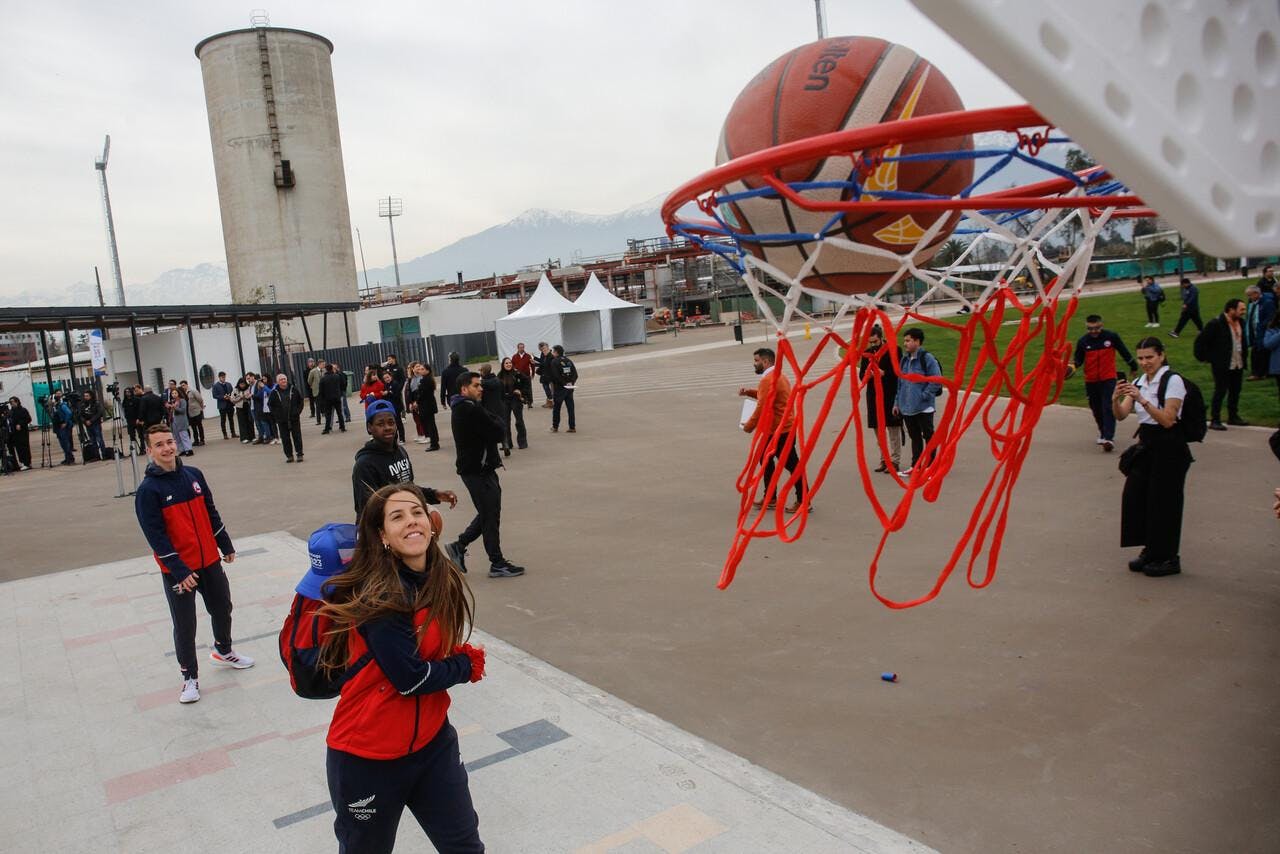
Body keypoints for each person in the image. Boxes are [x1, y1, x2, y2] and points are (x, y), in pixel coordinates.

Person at [317, 484, 486, 852]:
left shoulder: (438, 578)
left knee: (465, 847)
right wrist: (464, 665)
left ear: (431, 522)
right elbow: (410, 679)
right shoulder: (381, 596)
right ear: (382, 536)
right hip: (367, 758)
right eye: (397, 516)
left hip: (432, 746)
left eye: (417, 512)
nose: (411, 521)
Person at [133, 423, 255, 704]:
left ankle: (223, 650)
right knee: (185, 625)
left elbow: (210, 512)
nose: (167, 448)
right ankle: (189, 677)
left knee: (222, 607)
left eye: (169, 442)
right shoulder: (148, 491)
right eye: (159, 445)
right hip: (180, 570)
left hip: (209, 560)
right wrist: (179, 570)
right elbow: (156, 536)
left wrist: (224, 544)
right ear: (149, 451)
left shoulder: (194, 476)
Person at [1112, 337, 1192, 577]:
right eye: (1141, 358)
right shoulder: (1140, 381)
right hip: (1146, 445)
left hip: (1170, 448)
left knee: (1164, 503)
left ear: (1161, 356)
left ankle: (1168, 557)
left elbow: (1168, 420)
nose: (1145, 362)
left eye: (1150, 357)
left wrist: (1142, 399)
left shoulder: (1172, 381)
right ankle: (1151, 550)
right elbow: (1121, 415)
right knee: (1139, 498)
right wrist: (1115, 398)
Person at [448, 372, 524, 578]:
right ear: (464, 389)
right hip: (476, 472)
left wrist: (495, 424)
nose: (480, 388)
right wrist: (496, 425)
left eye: (480, 385)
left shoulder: (471, 407)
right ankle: (496, 562)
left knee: (488, 513)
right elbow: (499, 431)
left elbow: (496, 424)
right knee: (490, 516)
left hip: (483, 470)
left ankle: (459, 545)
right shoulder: (468, 410)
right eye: (475, 386)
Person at [352, 399, 456, 518]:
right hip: (377, 528)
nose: (387, 428)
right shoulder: (364, 464)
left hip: (401, 519)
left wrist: (435, 494)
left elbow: (408, 488)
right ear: (370, 427)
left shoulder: (400, 452)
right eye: (380, 424)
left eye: (391, 423)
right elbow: (368, 507)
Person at [739, 347, 805, 510]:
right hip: (778, 428)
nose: (754, 364)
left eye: (757, 361)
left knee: (791, 465)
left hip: (780, 430)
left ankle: (803, 500)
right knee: (766, 460)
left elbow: (761, 406)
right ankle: (770, 497)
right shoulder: (777, 376)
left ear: (766, 361)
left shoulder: (768, 379)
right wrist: (749, 392)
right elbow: (767, 396)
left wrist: (748, 426)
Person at [1067, 314, 1139, 452]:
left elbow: (1123, 351)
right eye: (1090, 328)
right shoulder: (1083, 341)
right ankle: (1103, 432)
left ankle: (1108, 438)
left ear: (1102, 325)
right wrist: (1070, 367)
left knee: (1108, 406)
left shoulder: (1111, 337)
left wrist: (1133, 365)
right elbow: (1078, 360)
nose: (1094, 331)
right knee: (1096, 408)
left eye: (1097, 328)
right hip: (1091, 380)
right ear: (1086, 327)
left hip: (1109, 378)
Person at [892, 328, 943, 476]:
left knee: (928, 435)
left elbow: (936, 380)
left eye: (908, 340)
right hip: (907, 406)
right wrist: (897, 402)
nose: (905, 343)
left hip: (924, 406)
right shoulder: (905, 359)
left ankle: (931, 466)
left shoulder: (927, 359)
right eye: (905, 340)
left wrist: (924, 395)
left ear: (917, 341)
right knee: (914, 437)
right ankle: (916, 465)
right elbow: (900, 382)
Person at [1196, 298, 1249, 429]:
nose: (1244, 312)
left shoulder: (1241, 322)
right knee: (1220, 391)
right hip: (1222, 364)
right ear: (1231, 310)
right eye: (1241, 309)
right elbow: (1200, 342)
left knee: (1235, 391)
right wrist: (1208, 358)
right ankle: (1215, 419)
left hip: (1238, 363)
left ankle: (1233, 416)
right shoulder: (1216, 324)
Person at [859, 327, 904, 473]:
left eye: (875, 342)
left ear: (881, 337)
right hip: (873, 395)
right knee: (878, 430)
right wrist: (868, 374)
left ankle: (895, 460)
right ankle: (884, 459)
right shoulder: (867, 353)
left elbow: (899, 371)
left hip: (889, 393)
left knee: (893, 428)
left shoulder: (893, 350)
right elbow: (861, 376)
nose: (873, 345)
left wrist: (884, 373)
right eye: (870, 342)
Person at [269, 373, 306, 462]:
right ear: (277, 382)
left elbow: (300, 401)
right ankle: (289, 456)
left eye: (284, 379)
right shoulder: (274, 392)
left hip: (294, 419)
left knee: (297, 437)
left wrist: (297, 412)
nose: (283, 381)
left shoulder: (294, 389)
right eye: (281, 379)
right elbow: (270, 405)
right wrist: (277, 415)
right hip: (282, 420)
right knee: (285, 439)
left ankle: (299, 454)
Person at [1245, 283, 1277, 380]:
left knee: (1259, 352)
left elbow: (1270, 318)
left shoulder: (1267, 303)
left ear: (1256, 293)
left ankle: (1258, 373)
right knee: (1258, 351)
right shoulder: (1252, 303)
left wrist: (1261, 326)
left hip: (1263, 332)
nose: (1249, 297)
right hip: (1254, 331)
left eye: (1250, 295)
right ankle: (1263, 372)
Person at [497, 356, 529, 451]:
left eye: (510, 363)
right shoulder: (500, 375)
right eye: (506, 363)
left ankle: (522, 442)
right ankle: (507, 443)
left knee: (519, 421)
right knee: (505, 423)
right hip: (505, 401)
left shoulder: (517, 373)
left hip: (516, 399)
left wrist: (521, 392)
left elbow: (526, 382)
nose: (508, 364)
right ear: (503, 365)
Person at [478, 364, 509, 455]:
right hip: (500, 407)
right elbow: (503, 394)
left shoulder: (482, 384)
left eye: (480, 371)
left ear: (483, 372)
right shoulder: (499, 381)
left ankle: (493, 449)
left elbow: (480, 397)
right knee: (502, 426)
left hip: (488, 408)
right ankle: (505, 443)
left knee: (490, 428)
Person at [548, 344, 578, 433]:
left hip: (559, 389)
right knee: (570, 408)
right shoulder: (568, 360)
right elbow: (575, 375)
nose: (552, 353)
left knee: (557, 409)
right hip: (569, 388)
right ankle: (572, 427)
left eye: (553, 351)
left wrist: (563, 384)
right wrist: (570, 383)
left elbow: (555, 376)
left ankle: (555, 427)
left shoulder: (554, 362)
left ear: (556, 352)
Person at [412, 362, 441, 451]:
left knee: (430, 425)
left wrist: (417, 401)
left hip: (427, 405)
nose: (420, 370)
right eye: (419, 369)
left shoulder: (426, 380)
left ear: (427, 371)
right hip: (427, 405)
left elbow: (422, 393)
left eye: (422, 369)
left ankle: (434, 444)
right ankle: (434, 442)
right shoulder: (425, 379)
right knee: (431, 424)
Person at [319, 363, 347, 434]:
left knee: (328, 414)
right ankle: (342, 427)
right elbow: (342, 385)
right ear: (332, 369)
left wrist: (322, 399)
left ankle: (327, 429)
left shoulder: (323, 379)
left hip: (328, 399)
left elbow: (321, 390)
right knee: (339, 413)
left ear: (326, 369)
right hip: (337, 397)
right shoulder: (337, 376)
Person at [4, 397, 32, 471]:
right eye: (10, 402)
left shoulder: (23, 410)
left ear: (17, 401)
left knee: (24, 447)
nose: (11, 403)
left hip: (22, 432)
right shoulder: (11, 411)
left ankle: (27, 463)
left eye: (12, 401)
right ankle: (22, 462)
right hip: (14, 433)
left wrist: (20, 424)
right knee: (19, 448)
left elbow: (28, 419)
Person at [382, 369, 407, 443]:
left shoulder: (395, 384)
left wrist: (388, 393)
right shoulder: (385, 385)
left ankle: (402, 438)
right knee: (392, 423)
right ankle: (395, 438)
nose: (387, 379)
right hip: (389, 407)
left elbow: (396, 395)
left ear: (391, 377)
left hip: (396, 406)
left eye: (388, 377)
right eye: (385, 378)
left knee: (398, 423)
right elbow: (385, 396)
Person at [79, 390, 106, 457]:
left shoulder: (96, 403)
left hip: (95, 424)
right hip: (88, 425)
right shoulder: (83, 405)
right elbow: (81, 415)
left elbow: (99, 413)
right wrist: (85, 421)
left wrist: (91, 420)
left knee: (99, 439)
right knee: (93, 441)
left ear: (91, 396)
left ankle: (104, 454)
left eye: (87, 396)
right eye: (85, 396)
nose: (85, 397)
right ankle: (96, 455)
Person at [169, 386, 194, 457]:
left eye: (175, 393)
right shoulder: (172, 401)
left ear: (178, 393)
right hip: (174, 421)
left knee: (184, 435)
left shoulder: (182, 400)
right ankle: (182, 450)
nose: (174, 394)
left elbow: (183, 410)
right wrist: (170, 407)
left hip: (181, 421)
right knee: (177, 437)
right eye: (172, 393)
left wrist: (175, 407)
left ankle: (189, 449)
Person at [52, 392, 75, 465]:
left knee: (65, 442)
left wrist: (65, 422)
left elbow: (69, 413)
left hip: (63, 426)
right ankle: (67, 457)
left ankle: (70, 458)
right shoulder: (54, 407)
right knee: (62, 443)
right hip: (57, 427)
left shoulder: (62, 405)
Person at [212, 371, 236, 440]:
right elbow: (214, 395)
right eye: (222, 377)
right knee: (223, 420)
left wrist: (230, 396)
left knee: (231, 419)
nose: (224, 378)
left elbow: (232, 392)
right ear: (219, 377)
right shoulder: (215, 386)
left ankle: (233, 433)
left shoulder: (228, 384)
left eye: (224, 377)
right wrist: (223, 397)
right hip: (222, 405)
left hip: (230, 404)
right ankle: (225, 434)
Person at [230, 378, 254, 444]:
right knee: (242, 422)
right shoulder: (235, 389)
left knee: (250, 421)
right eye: (241, 384)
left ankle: (252, 437)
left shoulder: (248, 388)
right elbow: (232, 399)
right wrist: (240, 397)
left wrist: (247, 396)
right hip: (239, 407)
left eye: (243, 384)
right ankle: (244, 437)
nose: (242, 385)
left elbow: (251, 395)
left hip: (247, 405)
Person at [183, 381, 206, 446]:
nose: (183, 387)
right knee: (193, 427)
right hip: (189, 413)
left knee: (199, 426)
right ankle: (196, 440)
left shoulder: (193, 391)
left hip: (197, 411)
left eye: (184, 385)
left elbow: (200, 399)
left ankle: (202, 440)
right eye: (182, 385)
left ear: (187, 385)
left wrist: (201, 407)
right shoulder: (183, 393)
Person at [533, 342, 554, 408]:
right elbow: (542, 363)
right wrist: (534, 361)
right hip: (545, 375)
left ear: (547, 347)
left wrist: (535, 362)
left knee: (550, 389)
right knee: (547, 389)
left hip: (549, 375)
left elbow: (545, 364)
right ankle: (549, 402)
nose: (542, 350)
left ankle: (551, 402)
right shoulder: (544, 354)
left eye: (544, 348)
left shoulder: (551, 356)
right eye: (542, 349)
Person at [121, 386, 141, 451]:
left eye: (128, 392)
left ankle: (142, 448)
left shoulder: (136, 399)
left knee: (140, 435)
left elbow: (140, 410)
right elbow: (124, 410)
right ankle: (133, 449)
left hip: (137, 419)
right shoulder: (125, 401)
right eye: (126, 392)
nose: (127, 393)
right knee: (132, 436)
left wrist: (139, 418)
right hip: (129, 420)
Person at [306, 358, 322, 423]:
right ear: (308, 363)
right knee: (311, 401)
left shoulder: (316, 370)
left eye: (312, 362)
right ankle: (313, 413)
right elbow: (307, 380)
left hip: (316, 388)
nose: (311, 363)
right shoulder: (306, 371)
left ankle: (322, 411)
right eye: (310, 362)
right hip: (310, 388)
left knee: (319, 401)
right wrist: (310, 385)